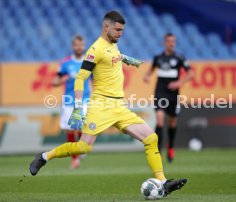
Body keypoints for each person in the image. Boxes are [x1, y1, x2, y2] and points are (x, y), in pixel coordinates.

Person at [29, 11, 187, 197]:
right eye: (118, 30)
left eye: (122, 30)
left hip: (119, 106)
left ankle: (162, 182)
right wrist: (79, 107)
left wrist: (126, 59)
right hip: (101, 105)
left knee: (151, 138)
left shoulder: (113, 45)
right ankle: (44, 156)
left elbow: (112, 56)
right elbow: (80, 79)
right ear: (106, 27)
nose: (120, 33)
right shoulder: (95, 49)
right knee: (83, 147)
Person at [144, 33, 194, 162]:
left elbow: (191, 74)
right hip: (160, 92)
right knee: (160, 119)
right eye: (169, 41)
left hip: (173, 94)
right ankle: (157, 151)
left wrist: (179, 83)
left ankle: (171, 146)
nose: (172, 43)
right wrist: (147, 76)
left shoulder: (179, 58)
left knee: (172, 122)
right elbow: (151, 70)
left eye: (174, 41)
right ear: (165, 42)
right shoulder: (158, 58)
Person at [52, 35, 91, 169]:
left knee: (81, 126)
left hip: (85, 99)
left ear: (84, 46)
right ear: (73, 46)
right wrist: (63, 79)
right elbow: (54, 81)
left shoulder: (89, 62)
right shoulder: (65, 63)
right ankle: (74, 160)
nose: (79, 48)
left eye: (81, 45)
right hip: (69, 101)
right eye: (76, 45)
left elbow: (96, 80)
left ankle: (81, 146)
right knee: (69, 129)